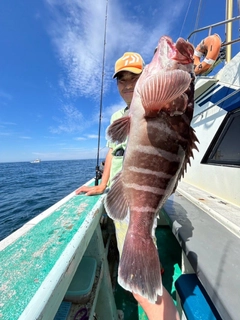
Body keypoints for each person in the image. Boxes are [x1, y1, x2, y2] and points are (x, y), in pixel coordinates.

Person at [76, 52, 180, 320]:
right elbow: (112, 150)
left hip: (140, 195)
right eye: (121, 79)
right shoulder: (116, 116)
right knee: (141, 245)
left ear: (146, 78)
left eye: (134, 77)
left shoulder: (157, 107)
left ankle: (157, 297)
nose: (127, 85)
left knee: (139, 287)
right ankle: (151, 269)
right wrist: (102, 185)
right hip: (123, 191)